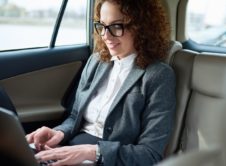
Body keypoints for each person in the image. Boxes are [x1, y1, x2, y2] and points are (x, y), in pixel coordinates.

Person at [26, 0, 176, 165]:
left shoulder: (158, 75)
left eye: (117, 26)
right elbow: (75, 116)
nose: (105, 35)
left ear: (141, 28)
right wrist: (59, 133)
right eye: (102, 25)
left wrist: (92, 152)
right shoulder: (97, 61)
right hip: (72, 148)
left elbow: (150, 154)